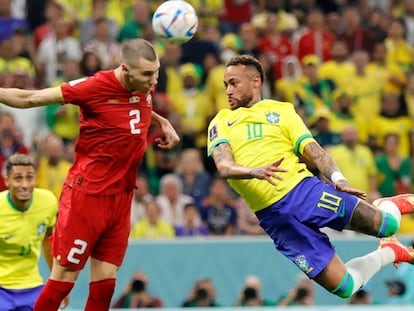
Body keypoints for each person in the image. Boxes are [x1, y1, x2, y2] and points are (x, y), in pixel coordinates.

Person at [206, 54, 414, 301]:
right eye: (225, 85)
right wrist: (254, 171)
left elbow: (314, 151)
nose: (228, 90)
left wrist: (338, 178)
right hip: (274, 219)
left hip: (303, 192)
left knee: (387, 225)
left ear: (255, 81)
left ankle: (388, 205)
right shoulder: (221, 121)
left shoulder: (282, 111)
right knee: (345, 287)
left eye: (234, 83)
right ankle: (391, 252)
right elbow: (224, 165)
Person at [0, 38, 180, 311]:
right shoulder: (94, 86)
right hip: (88, 195)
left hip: (121, 196)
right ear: (125, 69)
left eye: (156, 71)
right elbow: (30, 98)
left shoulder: (144, 83)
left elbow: (134, 104)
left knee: (105, 285)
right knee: (63, 281)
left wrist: (161, 120)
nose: (154, 80)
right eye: (147, 74)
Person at [0, 153, 59, 310]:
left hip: (32, 286)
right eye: (18, 178)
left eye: (29, 177)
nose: (25, 185)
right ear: (7, 181)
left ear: (36, 179)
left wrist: (58, 284)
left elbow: (48, 239)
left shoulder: (48, 202)